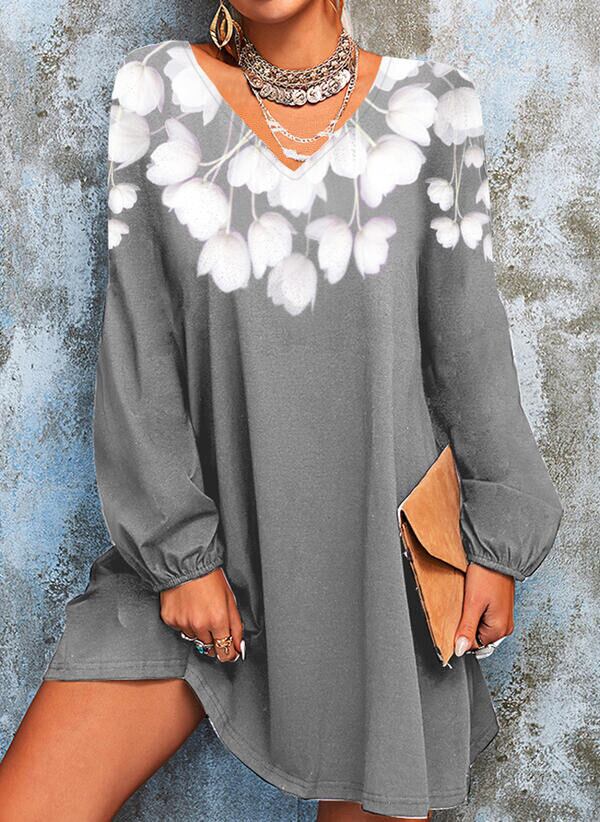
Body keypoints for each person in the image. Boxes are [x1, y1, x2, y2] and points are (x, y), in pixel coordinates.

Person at [0, 0, 563, 819]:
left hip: (376, 574)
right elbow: (139, 341)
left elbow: (469, 349)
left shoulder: (433, 109)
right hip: (201, 553)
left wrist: (500, 544)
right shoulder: (158, 92)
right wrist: (181, 558)